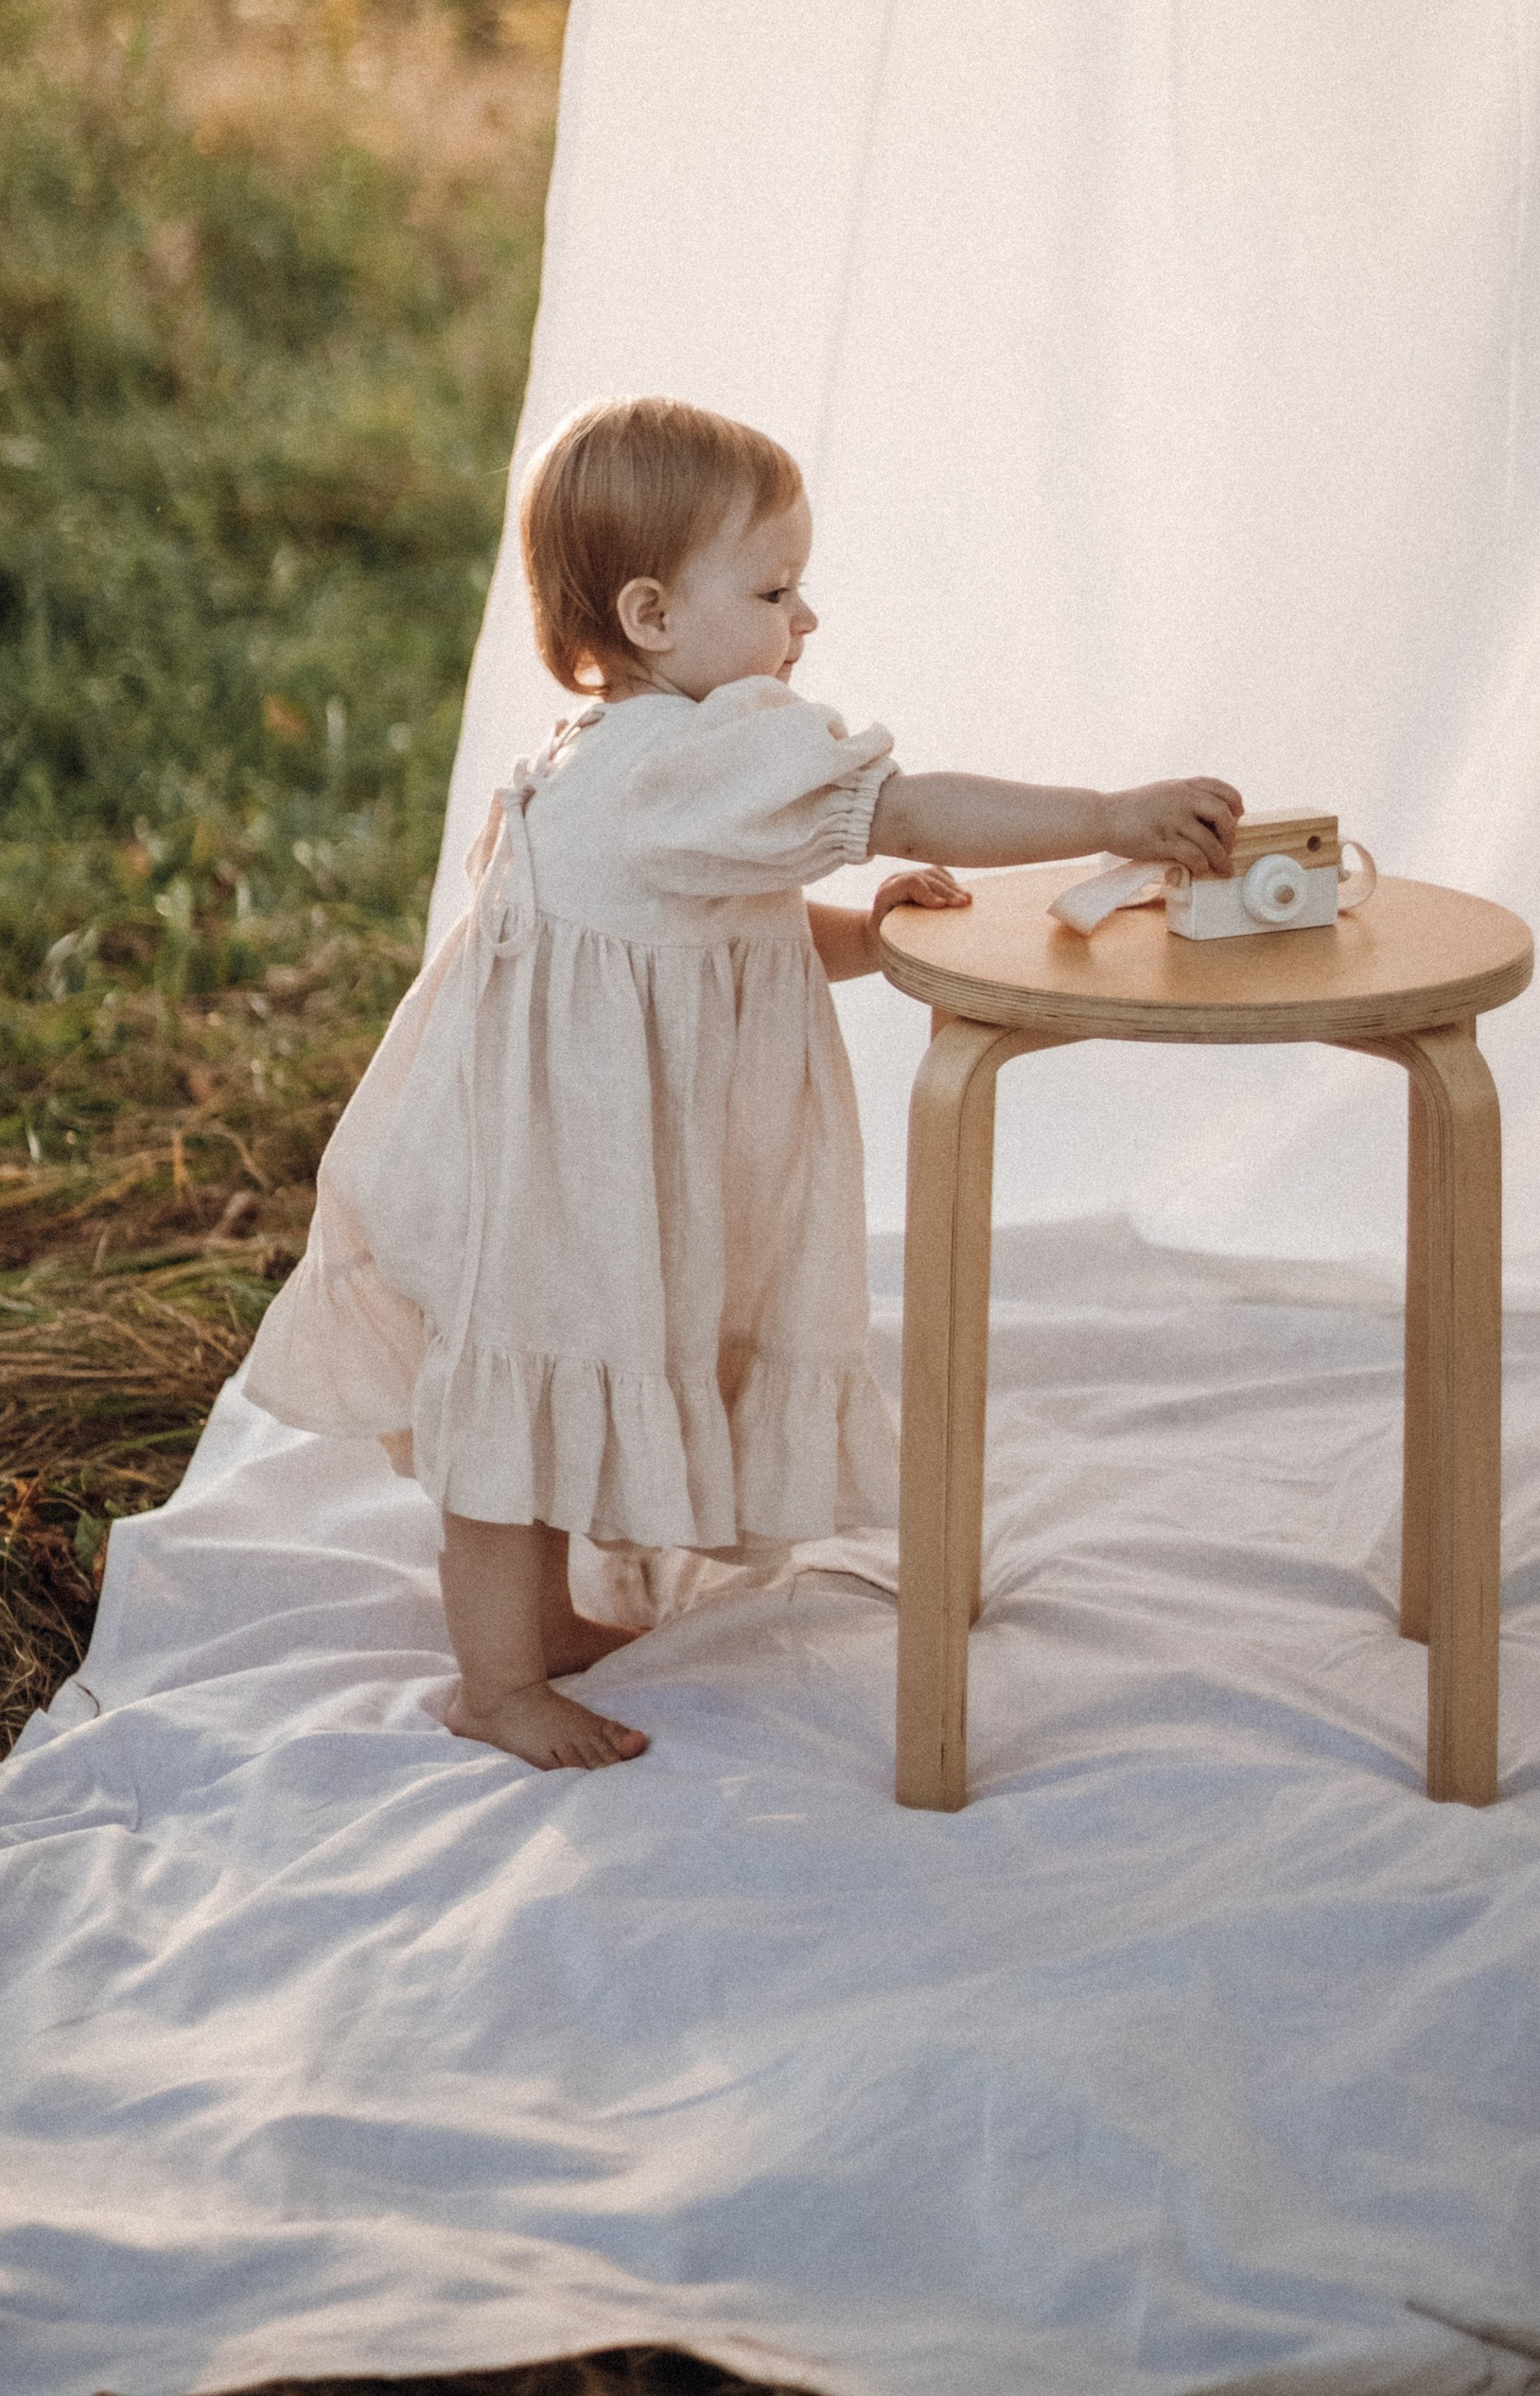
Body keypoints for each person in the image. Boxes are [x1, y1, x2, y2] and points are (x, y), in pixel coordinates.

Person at [242, 394, 1241, 1771]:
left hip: (543, 1157)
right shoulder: (697, 759)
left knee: (533, 1402)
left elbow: (716, 937)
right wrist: (1106, 818)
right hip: (549, 1172)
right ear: (651, 615)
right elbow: (910, 802)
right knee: (508, 1427)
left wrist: (868, 938)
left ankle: (541, 1621)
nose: (804, 619)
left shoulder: (622, 759)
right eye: (775, 588)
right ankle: (497, 1686)